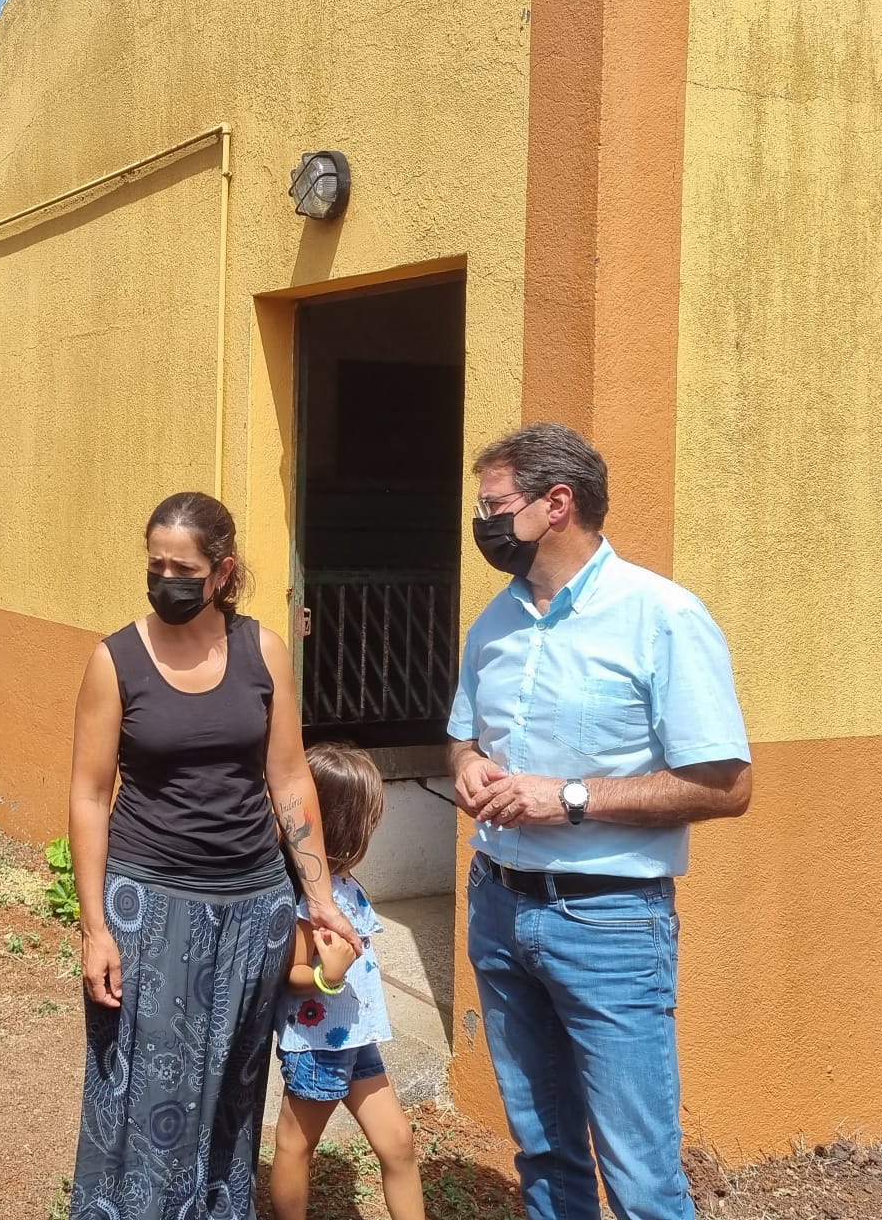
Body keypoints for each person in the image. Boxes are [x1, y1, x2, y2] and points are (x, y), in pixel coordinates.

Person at [448, 423, 752, 1220]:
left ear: (557, 504)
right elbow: (463, 737)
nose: (482, 523)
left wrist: (571, 797)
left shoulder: (663, 616)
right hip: (498, 907)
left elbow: (727, 786)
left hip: (610, 921)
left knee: (641, 1175)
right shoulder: (495, 623)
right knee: (545, 1155)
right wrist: (467, 764)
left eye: (493, 506)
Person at [68, 490, 361, 1219]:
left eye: (184, 569)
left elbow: (288, 778)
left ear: (223, 571)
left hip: (253, 909)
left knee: (232, 1088)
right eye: (156, 565)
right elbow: (89, 794)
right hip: (149, 904)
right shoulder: (115, 660)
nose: (166, 580)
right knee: (143, 1087)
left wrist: (320, 899)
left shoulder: (264, 651)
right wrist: (94, 927)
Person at [271, 743, 427, 1220]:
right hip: (317, 1045)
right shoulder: (307, 898)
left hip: (357, 1038)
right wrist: (327, 974)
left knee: (399, 1144)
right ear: (346, 825)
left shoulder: (342, 884)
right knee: (295, 1144)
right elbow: (289, 973)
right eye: (368, 820)